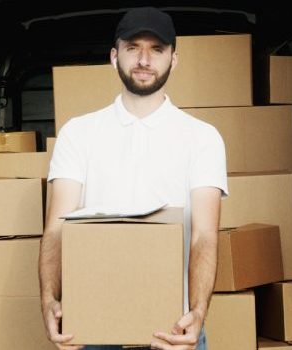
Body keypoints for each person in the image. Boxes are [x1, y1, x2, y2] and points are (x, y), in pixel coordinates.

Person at [39, 7, 228, 350]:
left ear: (174, 59)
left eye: (157, 49)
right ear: (114, 57)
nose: (144, 59)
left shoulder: (202, 138)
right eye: (132, 48)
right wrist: (49, 299)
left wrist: (198, 311)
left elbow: (204, 235)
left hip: (173, 328)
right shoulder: (78, 134)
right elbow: (56, 227)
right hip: (91, 327)